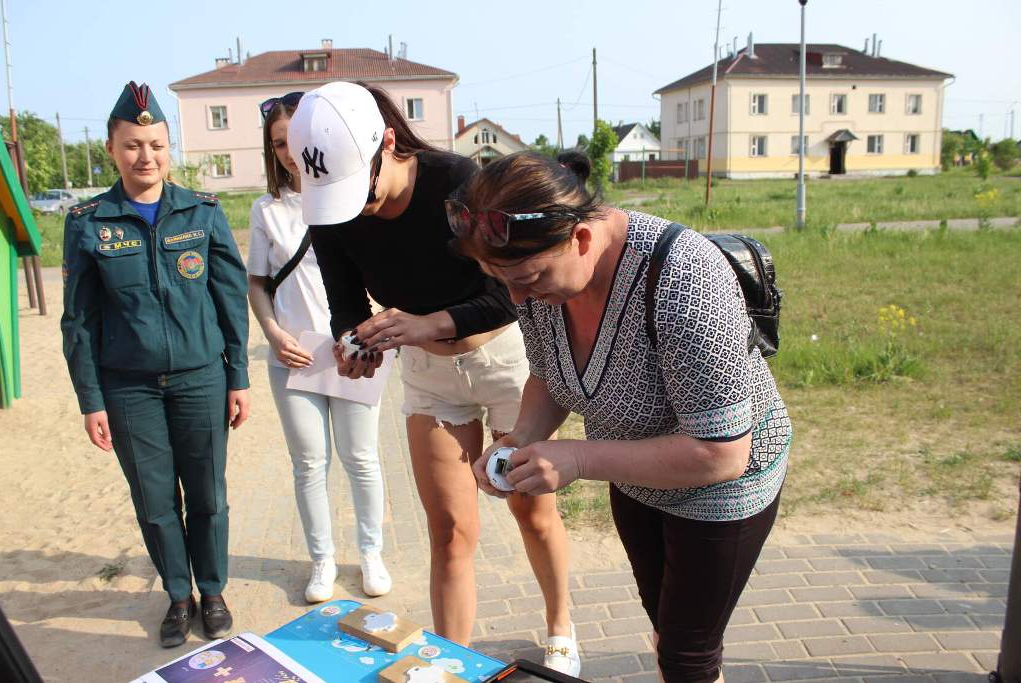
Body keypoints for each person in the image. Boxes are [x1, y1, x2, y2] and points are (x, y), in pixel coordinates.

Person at [453, 151, 793, 683]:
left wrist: (579, 458)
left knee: (688, 656)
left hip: (723, 489)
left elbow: (722, 453)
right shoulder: (543, 278)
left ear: (581, 239)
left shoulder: (685, 278)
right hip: (635, 475)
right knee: (664, 625)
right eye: (501, 281)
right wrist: (519, 437)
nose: (517, 297)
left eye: (528, 277)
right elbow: (549, 374)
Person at [286, 81, 580, 675]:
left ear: (388, 142)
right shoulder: (331, 206)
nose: (351, 209)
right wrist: (353, 343)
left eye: (357, 189)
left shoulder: (458, 183)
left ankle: (560, 625)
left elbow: (511, 292)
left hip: (504, 362)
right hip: (428, 375)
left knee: (531, 511)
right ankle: (451, 663)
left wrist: (429, 323)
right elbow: (345, 298)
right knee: (448, 532)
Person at [60, 81, 250, 648]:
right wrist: (90, 398)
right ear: (112, 149)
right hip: (128, 389)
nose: (147, 157)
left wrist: (237, 376)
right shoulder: (89, 222)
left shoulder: (202, 211)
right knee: (155, 500)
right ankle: (177, 596)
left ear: (171, 148)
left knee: (208, 495)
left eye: (157, 144)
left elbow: (229, 300)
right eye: (133, 145)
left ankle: (212, 590)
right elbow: (79, 322)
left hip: (200, 379)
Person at [246, 91, 390, 603]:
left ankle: (371, 555)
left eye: (296, 140)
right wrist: (273, 334)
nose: (290, 152)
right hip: (296, 356)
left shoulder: (351, 197)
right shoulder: (267, 210)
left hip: (352, 348)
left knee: (361, 457)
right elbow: (258, 282)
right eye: (279, 143)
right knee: (309, 463)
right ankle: (323, 561)